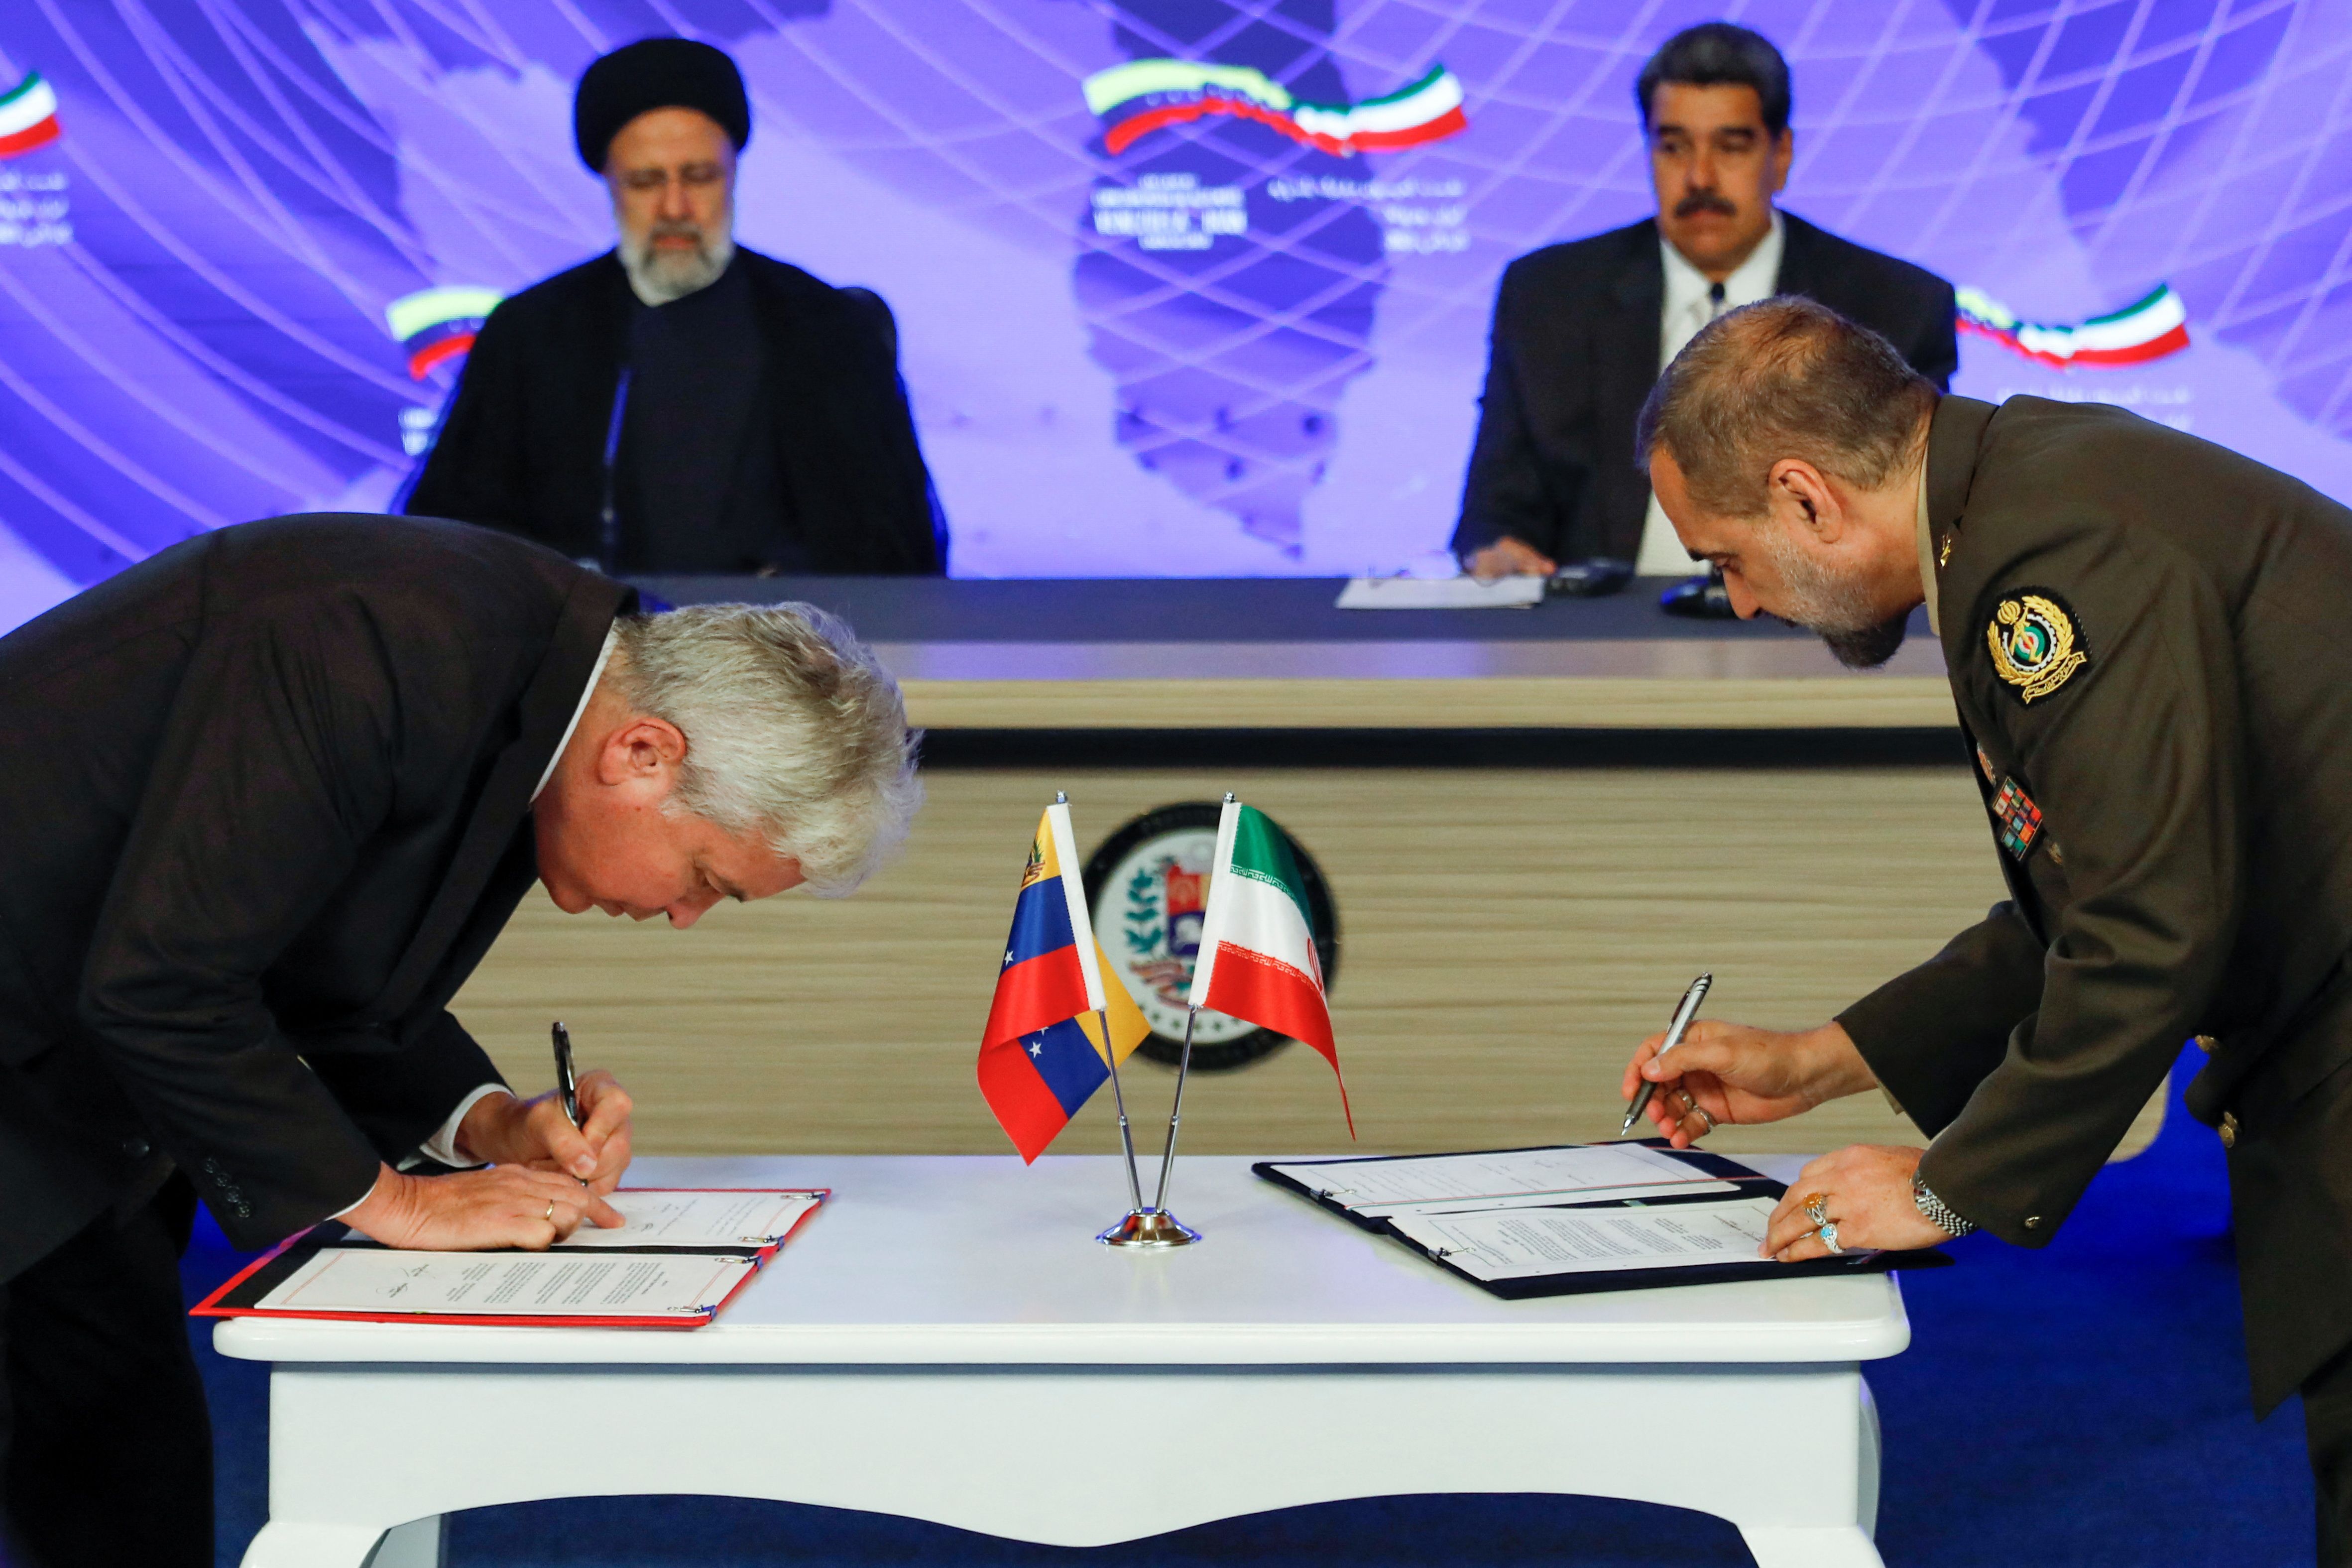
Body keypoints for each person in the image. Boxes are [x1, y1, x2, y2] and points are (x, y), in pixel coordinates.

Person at [0, 514, 920, 1566]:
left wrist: (488, 1124)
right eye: (706, 877)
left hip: (75, 1099)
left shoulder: (527, 676)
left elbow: (300, 946)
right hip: (55, 1038)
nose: (684, 916)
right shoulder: (363, 643)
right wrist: (398, 1203)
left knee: (125, 1493)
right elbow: (165, 981)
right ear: (644, 752)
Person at [1620, 293, 2352, 1558]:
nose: (1735, 603)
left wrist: (1943, 1182)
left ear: (1802, 497)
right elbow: (2092, 888)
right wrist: (1819, 1057)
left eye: (1722, 557)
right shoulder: (2013, 499)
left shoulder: (2048, 556)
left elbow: (2145, 921)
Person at [1452, 21, 1955, 611]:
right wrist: (1500, 551)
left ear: (1781, 154)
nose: (1699, 178)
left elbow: (1912, 523)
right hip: (1598, 642)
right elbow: (1495, 505)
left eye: (1731, 145)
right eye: (1673, 146)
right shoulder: (1548, 296)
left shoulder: (1891, 305)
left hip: (1810, 636)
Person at [405, 37, 947, 576]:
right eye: (645, 182)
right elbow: (458, 543)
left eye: (698, 177)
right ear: (609, 184)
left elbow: (895, 549)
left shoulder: (828, 330)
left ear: (732, 172)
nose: (674, 207)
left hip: (787, 653)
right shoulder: (532, 334)